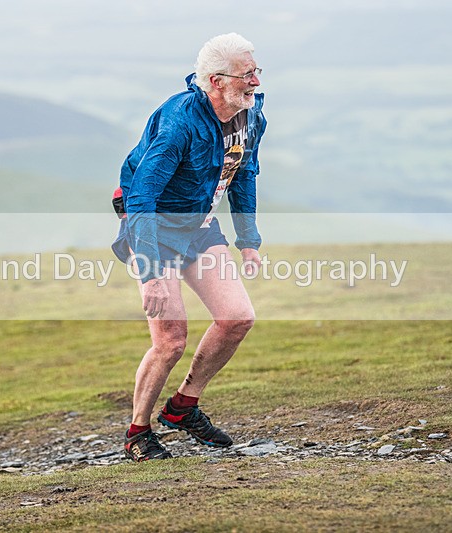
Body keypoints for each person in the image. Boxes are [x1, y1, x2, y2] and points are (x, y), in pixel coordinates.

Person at [112, 33, 267, 461]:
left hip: (199, 225)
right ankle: (137, 433)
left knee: (237, 318)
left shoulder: (251, 114)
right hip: (155, 230)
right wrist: (150, 273)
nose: (255, 81)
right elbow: (140, 195)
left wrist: (248, 241)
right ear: (216, 81)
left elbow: (245, 172)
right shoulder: (180, 121)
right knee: (170, 341)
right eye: (246, 74)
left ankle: (182, 407)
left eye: (257, 71)